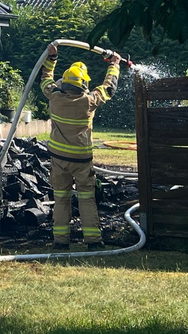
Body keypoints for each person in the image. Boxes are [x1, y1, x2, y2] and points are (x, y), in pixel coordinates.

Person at [41, 44, 121, 250]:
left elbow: (46, 79)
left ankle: (60, 241)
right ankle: (93, 242)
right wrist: (114, 65)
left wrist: (52, 57)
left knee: (61, 199)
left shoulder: (54, 97)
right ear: (84, 84)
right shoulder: (89, 101)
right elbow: (109, 87)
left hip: (59, 160)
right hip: (82, 162)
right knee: (86, 199)